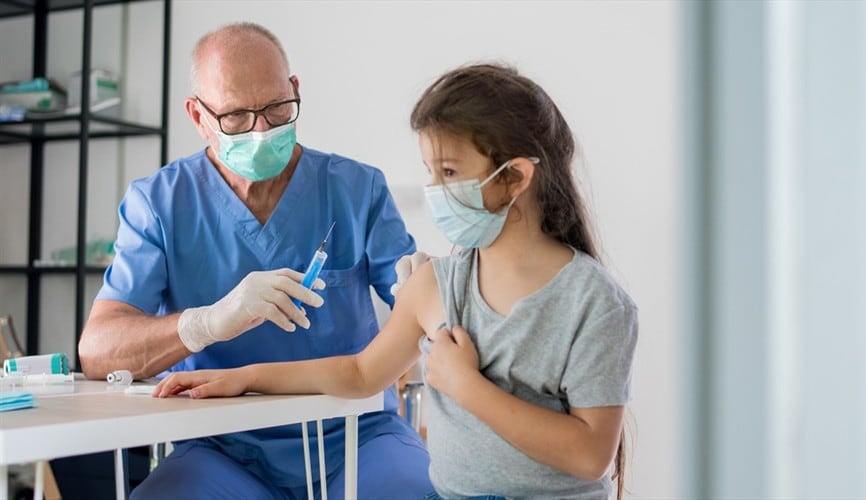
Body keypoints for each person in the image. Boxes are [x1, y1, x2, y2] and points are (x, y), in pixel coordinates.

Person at [154, 62, 639, 499]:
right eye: (430, 171)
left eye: (449, 171)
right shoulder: (436, 287)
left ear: (514, 179)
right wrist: (246, 377)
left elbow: (589, 454)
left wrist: (465, 386)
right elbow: (361, 373)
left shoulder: (594, 302)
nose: (434, 191)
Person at [77, 22, 433, 499]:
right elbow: (98, 349)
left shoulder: (355, 190)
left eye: (275, 108)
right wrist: (204, 324)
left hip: (355, 436)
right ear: (198, 115)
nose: (262, 130)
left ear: (295, 91)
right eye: (237, 117)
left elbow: (422, 307)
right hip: (222, 450)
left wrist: (432, 289)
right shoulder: (160, 203)